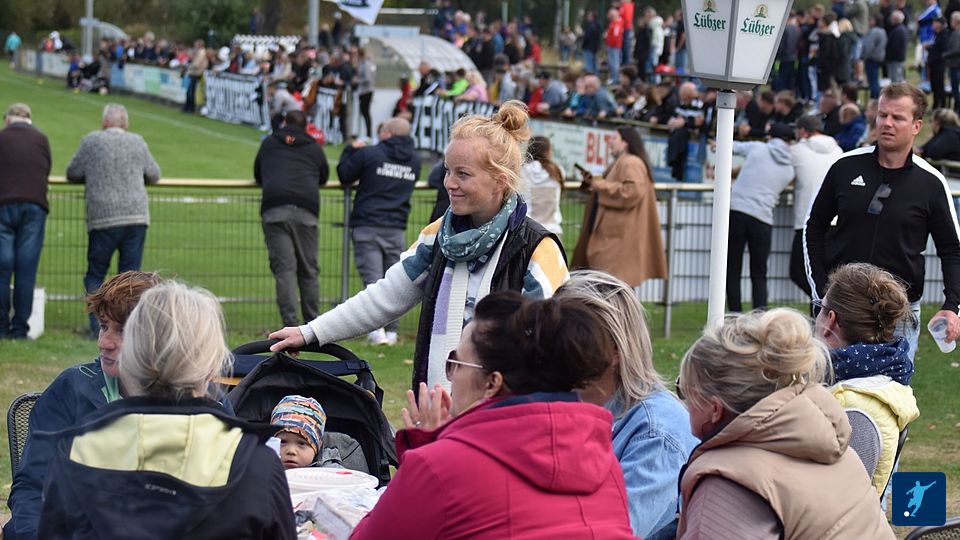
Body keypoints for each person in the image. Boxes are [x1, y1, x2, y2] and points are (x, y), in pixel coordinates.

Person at [269, 101, 568, 390]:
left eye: (463, 174)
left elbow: (546, 349)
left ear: (500, 181)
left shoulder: (537, 248)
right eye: (448, 170)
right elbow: (385, 297)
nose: (449, 183)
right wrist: (311, 332)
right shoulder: (437, 236)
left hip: (502, 419)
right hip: (436, 411)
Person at [350, 291, 635, 539]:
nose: (450, 375)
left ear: (492, 383)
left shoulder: (441, 466)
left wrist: (426, 457)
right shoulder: (603, 462)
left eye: (456, 362)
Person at [38, 282, 296, 539]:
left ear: (132, 357)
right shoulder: (255, 463)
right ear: (211, 363)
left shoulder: (77, 450)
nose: (105, 342)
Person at [676, 309, 896, 539]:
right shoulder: (835, 446)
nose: (684, 402)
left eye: (684, 390)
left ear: (714, 409)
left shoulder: (725, 485)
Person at [804, 83, 960, 363]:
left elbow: (952, 249)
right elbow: (813, 226)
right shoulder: (844, 166)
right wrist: (821, 292)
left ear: (916, 125)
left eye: (897, 117)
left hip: (898, 316)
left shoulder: (931, 182)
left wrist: (952, 306)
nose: (887, 123)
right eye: (882, 114)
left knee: (892, 391)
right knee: (830, 387)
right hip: (841, 309)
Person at [4, 271, 164, 539]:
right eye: (103, 326)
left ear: (159, 337)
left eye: (122, 331)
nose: (104, 343)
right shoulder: (70, 388)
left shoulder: (197, 401)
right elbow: (33, 488)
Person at [556, 270, 698, 539]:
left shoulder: (657, 432)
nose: (548, 349)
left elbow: (607, 532)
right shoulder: (566, 405)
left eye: (569, 338)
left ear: (615, 352)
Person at [814, 263, 920, 495]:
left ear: (830, 319)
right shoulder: (880, 376)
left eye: (818, 308)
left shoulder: (856, 410)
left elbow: (841, 499)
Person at [66, 103, 160, 338]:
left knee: (96, 274)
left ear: (104, 123)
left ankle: (99, 328)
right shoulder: (137, 141)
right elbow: (154, 174)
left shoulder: (92, 141)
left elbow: (72, 172)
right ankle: (128, 331)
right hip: (135, 217)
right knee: (131, 279)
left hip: (103, 218)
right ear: (125, 124)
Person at [337, 117, 421, 345]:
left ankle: (377, 331)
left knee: (373, 281)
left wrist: (349, 150)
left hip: (368, 224)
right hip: (396, 226)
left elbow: (345, 174)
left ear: (388, 132)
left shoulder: (370, 153)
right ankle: (391, 332)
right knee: (396, 281)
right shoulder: (415, 160)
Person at [254, 109, 329, 328]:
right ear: (306, 126)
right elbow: (324, 177)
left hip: (275, 208)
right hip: (306, 210)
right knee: (308, 270)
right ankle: (312, 326)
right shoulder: (314, 147)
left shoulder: (270, 142)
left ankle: (290, 324)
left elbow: (258, 173)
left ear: (284, 123)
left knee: (285, 270)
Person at [573, 126, 667, 288]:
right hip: (614, 237)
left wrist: (601, 185)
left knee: (610, 287)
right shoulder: (624, 162)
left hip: (617, 239)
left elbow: (632, 191)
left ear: (625, 142)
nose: (610, 142)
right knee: (610, 287)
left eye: (614, 138)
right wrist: (593, 182)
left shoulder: (631, 162)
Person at [726, 124, 796, 313]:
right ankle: (760, 317)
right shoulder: (790, 168)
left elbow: (730, 146)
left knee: (732, 269)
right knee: (759, 274)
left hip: (737, 210)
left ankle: (735, 315)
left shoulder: (758, 148)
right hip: (763, 218)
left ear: (770, 137)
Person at [0, 104, 50, 340]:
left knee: (2, 268)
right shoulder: (41, 139)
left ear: (8, 119)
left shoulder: (2, 138)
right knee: (26, 268)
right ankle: (20, 329)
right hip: (34, 206)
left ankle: (1, 327)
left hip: (3, 205)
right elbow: (46, 167)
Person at [789, 116, 843, 296]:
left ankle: (824, 301)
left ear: (803, 131)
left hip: (808, 221)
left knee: (799, 273)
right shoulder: (838, 151)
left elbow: (780, 173)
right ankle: (823, 304)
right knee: (827, 275)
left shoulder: (796, 150)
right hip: (836, 222)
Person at [271, 394, 345, 469]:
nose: (291, 451)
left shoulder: (330, 471)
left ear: (316, 450)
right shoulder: (265, 467)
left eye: (301, 443)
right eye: (282, 442)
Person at [521, 135, 563, 236]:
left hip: (530, 230)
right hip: (553, 229)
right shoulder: (557, 171)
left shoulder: (523, 171)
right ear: (548, 152)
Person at [862, 14, 887, 99]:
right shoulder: (883, 31)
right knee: (875, 79)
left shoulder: (874, 31)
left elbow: (868, 45)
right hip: (879, 58)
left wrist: (864, 55)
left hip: (872, 58)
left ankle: (875, 98)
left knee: (872, 81)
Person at [182, 39, 207, 113]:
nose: (194, 46)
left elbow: (196, 64)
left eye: (196, 44)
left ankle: (191, 108)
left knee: (191, 92)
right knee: (189, 92)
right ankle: (187, 107)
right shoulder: (198, 52)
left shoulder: (202, 53)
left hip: (197, 74)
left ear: (199, 45)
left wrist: (188, 66)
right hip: (193, 73)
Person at [886, 11, 908, 83]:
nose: (890, 20)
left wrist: (888, 57)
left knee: (896, 81)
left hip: (895, 60)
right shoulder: (901, 29)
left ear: (895, 19)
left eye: (892, 18)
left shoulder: (897, 30)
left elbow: (894, 47)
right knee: (898, 79)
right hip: (898, 59)